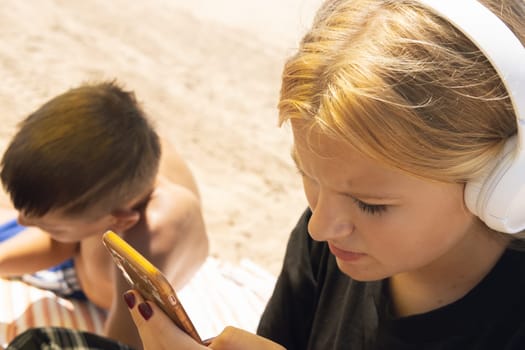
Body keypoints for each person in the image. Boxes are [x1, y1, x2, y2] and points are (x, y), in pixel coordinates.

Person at [4, 0, 525, 349]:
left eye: (370, 204)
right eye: (310, 178)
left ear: (503, 185)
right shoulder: (325, 241)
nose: (321, 225)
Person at [0, 81, 209, 349]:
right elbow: (60, 241)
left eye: (48, 225)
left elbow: (122, 340)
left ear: (119, 221)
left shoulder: (152, 235)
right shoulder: (120, 162)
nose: (22, 220)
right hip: (77, 249)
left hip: (90, 282)